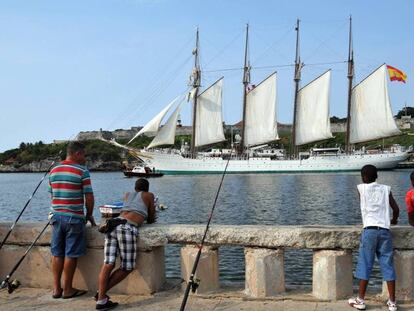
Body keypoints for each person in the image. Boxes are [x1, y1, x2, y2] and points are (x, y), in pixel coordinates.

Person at [96, 178, 156, 310]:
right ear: (147, 188)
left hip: (112, 225)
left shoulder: (127, 195)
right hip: (126, 228)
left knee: (108, 263)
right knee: (127, 267)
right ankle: (100, 295)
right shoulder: (149, 195)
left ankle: (101, 298)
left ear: (135, 188)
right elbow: (151, 218)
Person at [49, 141, 96, 299]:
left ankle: (56, 289)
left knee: (57, 253)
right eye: (83, 154)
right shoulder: (82, 171)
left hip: (56, 217)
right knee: (71, 254)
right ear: (77, 153)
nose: (85, 157)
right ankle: (67, 289)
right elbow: (88, 196)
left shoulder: (53, 170)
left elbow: (52, 194)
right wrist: (89, 214)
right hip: (74, 218)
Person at [348, 164, 399, 311]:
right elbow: (396, 209)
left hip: (369, 230)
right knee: (387, 265)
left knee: (365, 264)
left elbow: (364, 203)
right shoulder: (386, 189)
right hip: (384, 231)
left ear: (364, 177)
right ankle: (392, 302)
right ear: (377, 176)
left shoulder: (361, 188)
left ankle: (360, 300)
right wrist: (394, 220)